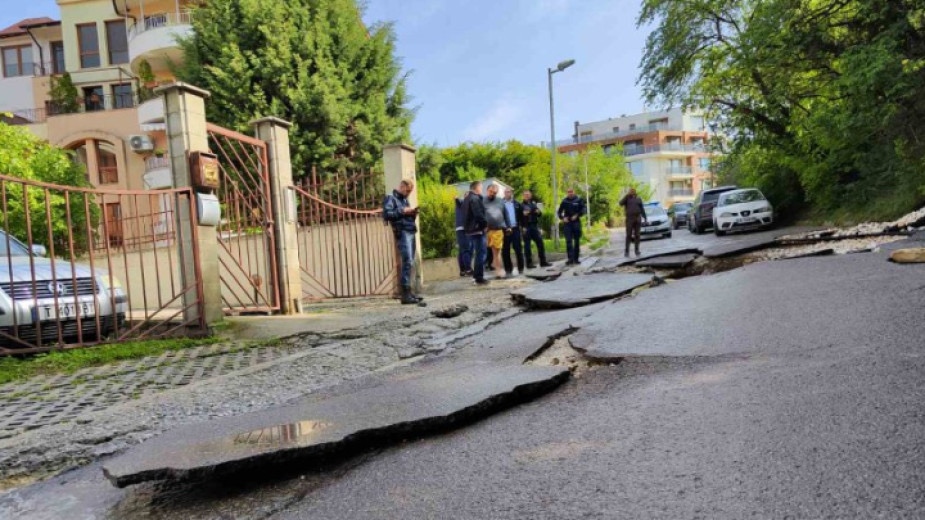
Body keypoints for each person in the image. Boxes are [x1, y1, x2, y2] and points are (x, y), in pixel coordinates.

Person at [383, 179, 424, 304]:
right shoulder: (390, 198)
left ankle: (409, 293)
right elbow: (387, 214)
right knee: (407, 261)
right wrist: (403, 211)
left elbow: (403, 214)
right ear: (401, 186)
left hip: (410, 230)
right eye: (407, 190)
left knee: (410, 262)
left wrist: (412, 213)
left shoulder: (404, 199)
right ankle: (405, 295)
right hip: (402, 232)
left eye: (410, 191)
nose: (408, 193)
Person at [461, 181, 489, 285]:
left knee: (478, 253)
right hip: (477, 230)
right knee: (481, 253)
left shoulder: (466, 199)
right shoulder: (475, 198)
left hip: (470, 230)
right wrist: (485, 225)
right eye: (481, 188)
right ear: (477, 188)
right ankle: (479, 277)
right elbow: (478, 214)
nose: (481, 190)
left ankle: (477, 275)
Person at [483, 184, 512, 278]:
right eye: (491, 191)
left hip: (498, 230)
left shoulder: (500, 201)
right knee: (490, 251)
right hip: (487, 231)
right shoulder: (482, 201)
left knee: (497, 251)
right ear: (487, 190)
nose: (492, 194)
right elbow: (479, 215)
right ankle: (494, 264)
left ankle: (498, 271)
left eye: (494, 193)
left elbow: (506, 214)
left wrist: (509, 226)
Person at [521, 190, 551, 269]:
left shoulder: (533, 204)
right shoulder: (520, 205)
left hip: (534, 226)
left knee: (540, 243)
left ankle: (543, 262)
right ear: (523, 196)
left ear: (530, 195)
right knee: (527, 246)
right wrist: (522, 226)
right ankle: (529, 264)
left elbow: (540, 214)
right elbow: (518, 217)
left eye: (528, 194)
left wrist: (538, 212)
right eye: (525, 195)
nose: (527, 196)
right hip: (526, 227)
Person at [557, 188, 587, 265]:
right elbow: (559, 212)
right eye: (568, 192)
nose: (570, 193)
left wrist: (577, 215)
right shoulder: (564, 201)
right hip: (568, 223)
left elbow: (584, 209)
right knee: (568, 241)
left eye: (571, 192)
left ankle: (576, 259)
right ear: (567, 193)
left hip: (576, 222)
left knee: (576, 241)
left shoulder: (579, 200)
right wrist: (563, 218)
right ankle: (570, 259)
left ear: (574, 192)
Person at [502, 188, 525, 276]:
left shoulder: (517, 204)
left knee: (518, 249)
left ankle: (521, 268)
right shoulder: (500, 203)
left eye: (510, 192)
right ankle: (508, 269)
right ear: (504, 193)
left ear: (512, 193)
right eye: (507, 192)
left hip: (515, 229)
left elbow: (522, 217)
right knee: (505, 250)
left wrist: (523, 227)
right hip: (504, 229)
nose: (508, 193)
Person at [619, 187, 648, 257]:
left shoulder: (639, 199)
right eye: (631, 191)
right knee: (628, 235)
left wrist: (645, 217)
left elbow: (642, 209)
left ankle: (637, 250)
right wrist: (626, 195)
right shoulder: (627, 198)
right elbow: (620, 203)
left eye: (633, 191)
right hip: (629, 219)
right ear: (629, 192)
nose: (632, 192)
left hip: (638, 219)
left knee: (637, 235)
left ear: (635, 192)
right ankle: (627, 251)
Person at [454, 196, 473, 277]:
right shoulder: (462, 202)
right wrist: (456, 198)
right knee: (466, 249)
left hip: (463, 228)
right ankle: (468, 269)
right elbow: (458, 200)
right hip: (462, 228)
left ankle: (462, 270)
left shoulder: (467, 204)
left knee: (462, 250)